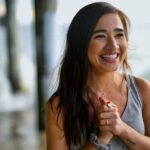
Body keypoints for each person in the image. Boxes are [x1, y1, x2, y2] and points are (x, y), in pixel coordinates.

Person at [46, 2, 150, 150]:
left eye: (119, 35)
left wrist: (121, 128)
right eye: (100, 36)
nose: (113, 45)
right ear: (80, 43)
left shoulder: (142, 89)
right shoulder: (60, 106)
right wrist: (101, 138)